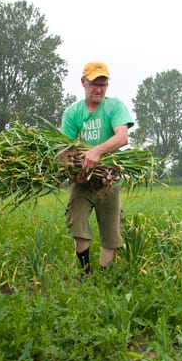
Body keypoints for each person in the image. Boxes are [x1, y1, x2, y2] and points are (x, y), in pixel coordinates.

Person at [61, 61, 134, 276]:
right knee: (78, 223)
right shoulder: (73, 113)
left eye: (103, 84)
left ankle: (104, 277)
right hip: (81, 181)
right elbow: (66, 148)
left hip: (109, 179)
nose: (99, 89)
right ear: (83, 83)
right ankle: (85, 273)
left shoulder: (114, 106)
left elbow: (122, 137)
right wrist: (77, 172)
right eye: (94, 84)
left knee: (110, 233)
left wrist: (97, 152)